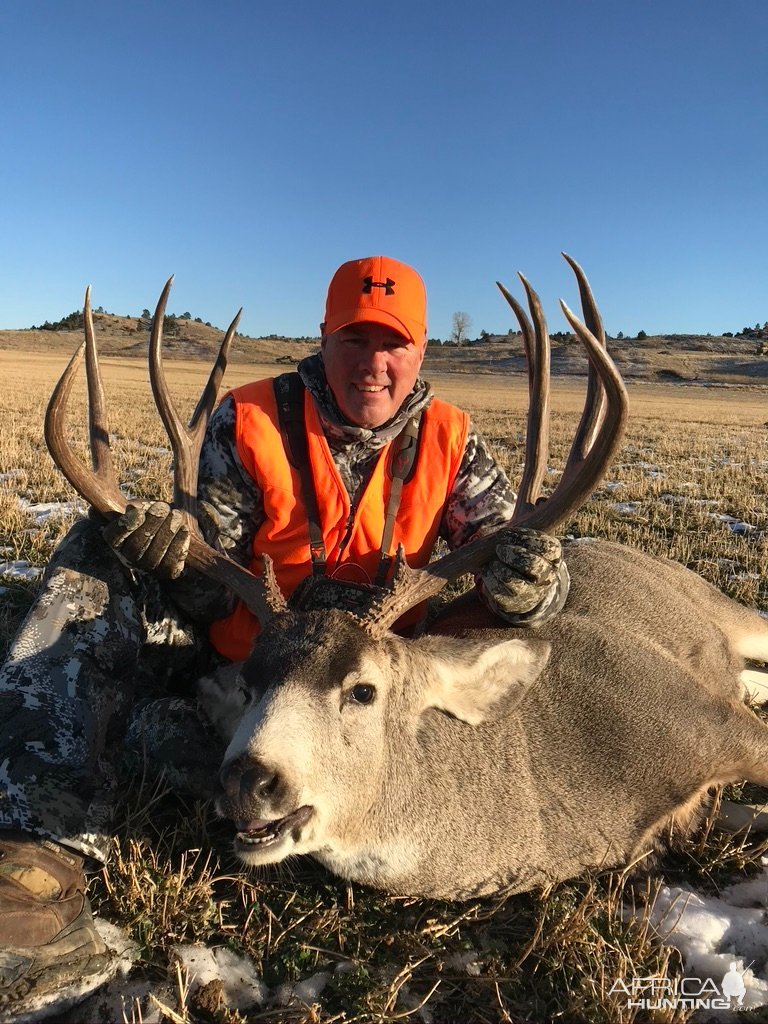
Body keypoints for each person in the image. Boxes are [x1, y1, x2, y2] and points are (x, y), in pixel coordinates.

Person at [0, 256, 569, 1009]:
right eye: (355, 340)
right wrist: (174, 551)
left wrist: (533, 585)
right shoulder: (252, 419)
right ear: (324, 337)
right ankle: (38, 841)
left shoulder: (452, 444)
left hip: (362, 709)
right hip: (244, 672)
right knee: (97, 546)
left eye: (393, 343)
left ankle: (160, 747)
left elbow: (516, 564)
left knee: (525, 589)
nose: (374, 363)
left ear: (421, 351)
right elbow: (207, 570)